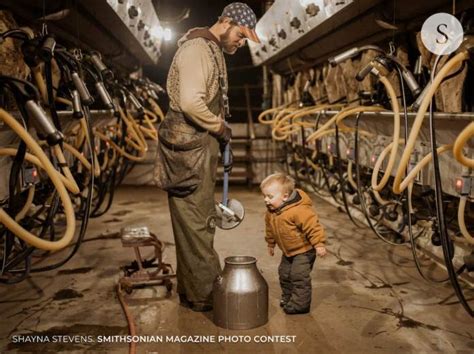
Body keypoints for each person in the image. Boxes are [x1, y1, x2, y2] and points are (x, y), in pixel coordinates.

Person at [154, 2, 260, 312]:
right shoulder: (198, 49)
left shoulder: (210, 49)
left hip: (199, 146)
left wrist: (220, 141)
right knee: (197, 222)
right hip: (190, 149)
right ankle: (204, 294)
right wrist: (220, 127)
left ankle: (193, 290)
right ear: (226, 22)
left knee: (197, 220)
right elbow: (190, 102)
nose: (241, 43)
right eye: (240, 35)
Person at [260, 173, 327, 314]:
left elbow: (313, 227)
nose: (266, 200)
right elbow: (270, 229)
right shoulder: (271, 212)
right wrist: (270, 244)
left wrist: (319, 244)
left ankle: (300, 305)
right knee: (284, 274)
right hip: (288, 251)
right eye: (264, 196)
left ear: (285, 196)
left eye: (270, 197)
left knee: (298, 275)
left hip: (304, 250)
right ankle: (288, 297)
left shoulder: (299, 210)